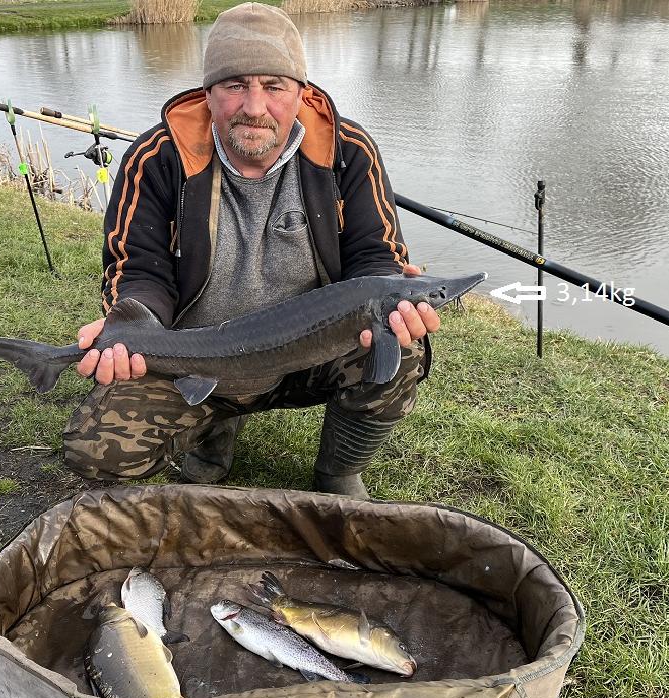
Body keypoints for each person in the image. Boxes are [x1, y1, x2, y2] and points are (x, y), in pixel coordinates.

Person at [62, 2, 440, 499]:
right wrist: (134, 326)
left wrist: (392, 285)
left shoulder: (347, 150)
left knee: (401, 344)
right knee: (96, 450)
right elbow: (138, 270)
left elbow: (374, 255)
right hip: (193, 355)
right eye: (235, 85)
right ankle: (213, 428)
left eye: (274, 86)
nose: (255, 107)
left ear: (302, 92)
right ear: (208, 92)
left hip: (308, 350)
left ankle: (339, 470)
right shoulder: (156, 159)